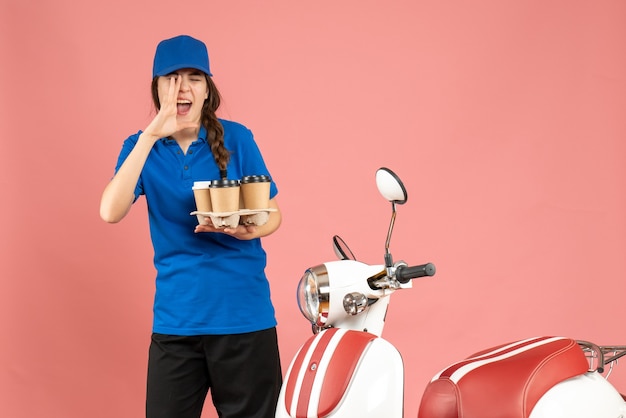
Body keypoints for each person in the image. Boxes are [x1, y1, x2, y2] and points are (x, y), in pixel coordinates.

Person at [100, 34, 282, 418]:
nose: (183, 87)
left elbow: (273, 213)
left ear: (206, 90)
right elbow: (110, 211)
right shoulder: (140, 147)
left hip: (243, 317)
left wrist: (251, 227)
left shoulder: (237, 138)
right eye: (171, 77)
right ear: (157, 87)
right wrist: (151, 135)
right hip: (177, 320)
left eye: (194, 77)